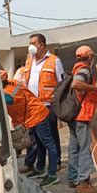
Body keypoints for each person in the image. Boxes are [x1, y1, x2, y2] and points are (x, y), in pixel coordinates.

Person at [0, 70, 59, 187]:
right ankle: (40, 169)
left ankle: (53, 175)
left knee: (49, 144)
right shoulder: (12, 83)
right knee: (39, 143)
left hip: (38, 115)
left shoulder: (8, 94)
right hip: (34, 115)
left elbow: (4, 100)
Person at [21, 33, 65, 174]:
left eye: (33, 43)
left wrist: (58, 106)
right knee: (33, 136)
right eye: (30, 43)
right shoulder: (29, 60)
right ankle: (31, 163)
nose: (31, 46)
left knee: (51, 135)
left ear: (41, 45)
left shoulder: (54, 61)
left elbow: (61, 84)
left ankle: (56, 161)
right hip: (32, 106)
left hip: (48, 105)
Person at [68, 46, 97, 193]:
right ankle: (83, 182)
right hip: (83, 115)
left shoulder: (76, 67)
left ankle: (74, 178)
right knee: (85, 148)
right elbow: (76, 84)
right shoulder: (84, 69)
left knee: (74, 147)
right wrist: (95, 88)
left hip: (74, 114)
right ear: (89, 57)